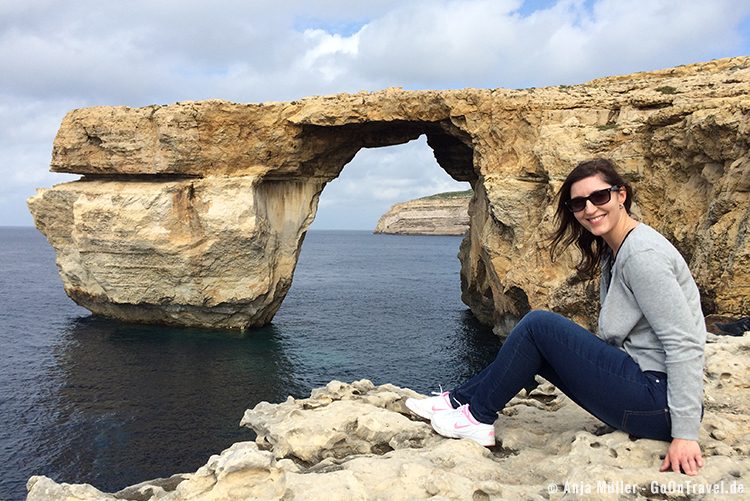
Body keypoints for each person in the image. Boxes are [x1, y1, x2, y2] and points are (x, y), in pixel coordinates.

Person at [405, 158, 706, 476]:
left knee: (538, 325)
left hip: (659, 404)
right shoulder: (615, 251)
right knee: (536, 346)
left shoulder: (643, 257)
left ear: (622, 195)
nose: (590, 209)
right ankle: (457, 402)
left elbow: (684, 342)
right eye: (579, 203)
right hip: (646, 392)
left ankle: (478, 417)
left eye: (599, 197)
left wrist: (685, 434)